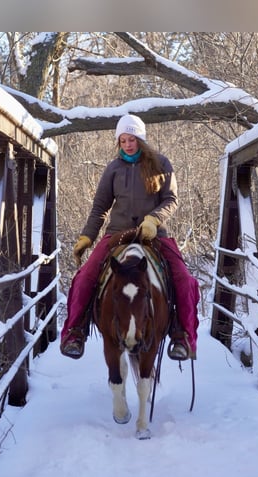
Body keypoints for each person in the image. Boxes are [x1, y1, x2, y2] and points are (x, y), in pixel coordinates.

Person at [60, 114, 200, 362]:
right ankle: (74, 332)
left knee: (184, 279)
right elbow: (100, 207)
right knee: (84, 277)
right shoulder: (113, 169)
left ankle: (183, 336)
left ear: (141, 139)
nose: (127, 144)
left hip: (154, 236)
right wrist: (87, 237)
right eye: (123, 139)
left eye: (132, 138)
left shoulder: (161, 164)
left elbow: (172, 199)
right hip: (118, 235)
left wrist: (154, 220)